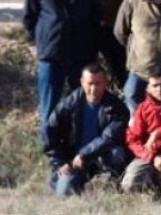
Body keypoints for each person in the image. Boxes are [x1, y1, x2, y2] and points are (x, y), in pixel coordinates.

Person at [24, 0, 102, 127]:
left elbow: (95, 18)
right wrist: (43, 41)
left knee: (83, 107)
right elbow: (29, 18)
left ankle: (81, 143)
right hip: (51, 58)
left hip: (80, 58)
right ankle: (49, 144)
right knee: (49, 108)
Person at [41, 63, 129, 196]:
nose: (93, 88)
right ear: (82, 82)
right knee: (64, 192)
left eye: (98, 83)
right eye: (90, 83)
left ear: (105, 82)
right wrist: (59, 162)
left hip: (101, 157)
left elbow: (109, 138)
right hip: (73, 159)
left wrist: (83, 155)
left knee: (117, 153)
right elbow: (49, 132)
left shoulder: (117, 107)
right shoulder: (69, 104)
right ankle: (73, 181)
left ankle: (108, 179)